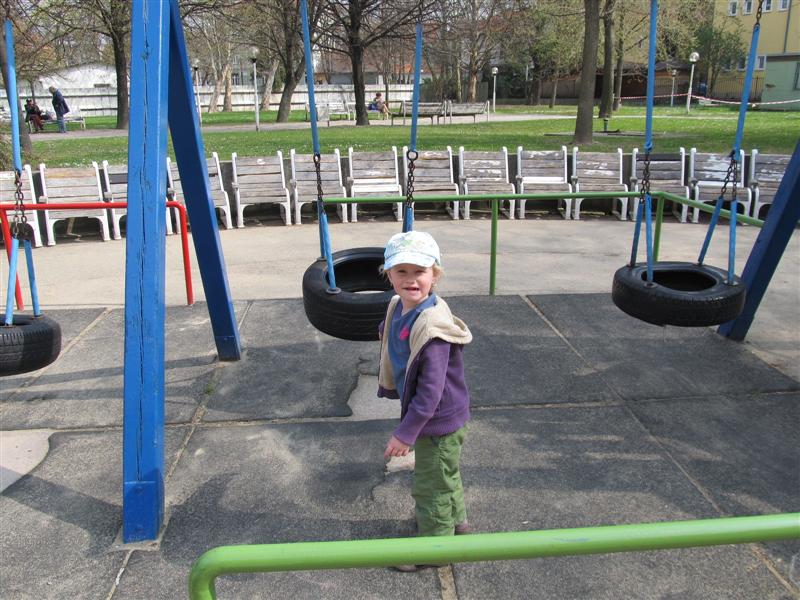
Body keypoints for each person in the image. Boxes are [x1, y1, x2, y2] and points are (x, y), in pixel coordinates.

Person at [377, 230, 473, 572]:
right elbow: (395, 330)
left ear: (435, 275)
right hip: (442, 417)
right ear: (389, 275)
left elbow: (430, 393)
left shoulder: (434, 330)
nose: (410, 279)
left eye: (419, 271)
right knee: (446, 474)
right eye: (401, 271)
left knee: (431, 487)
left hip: (437, 420)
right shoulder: (400, 308)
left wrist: (406, 434)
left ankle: (435, 549)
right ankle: (457, 522)